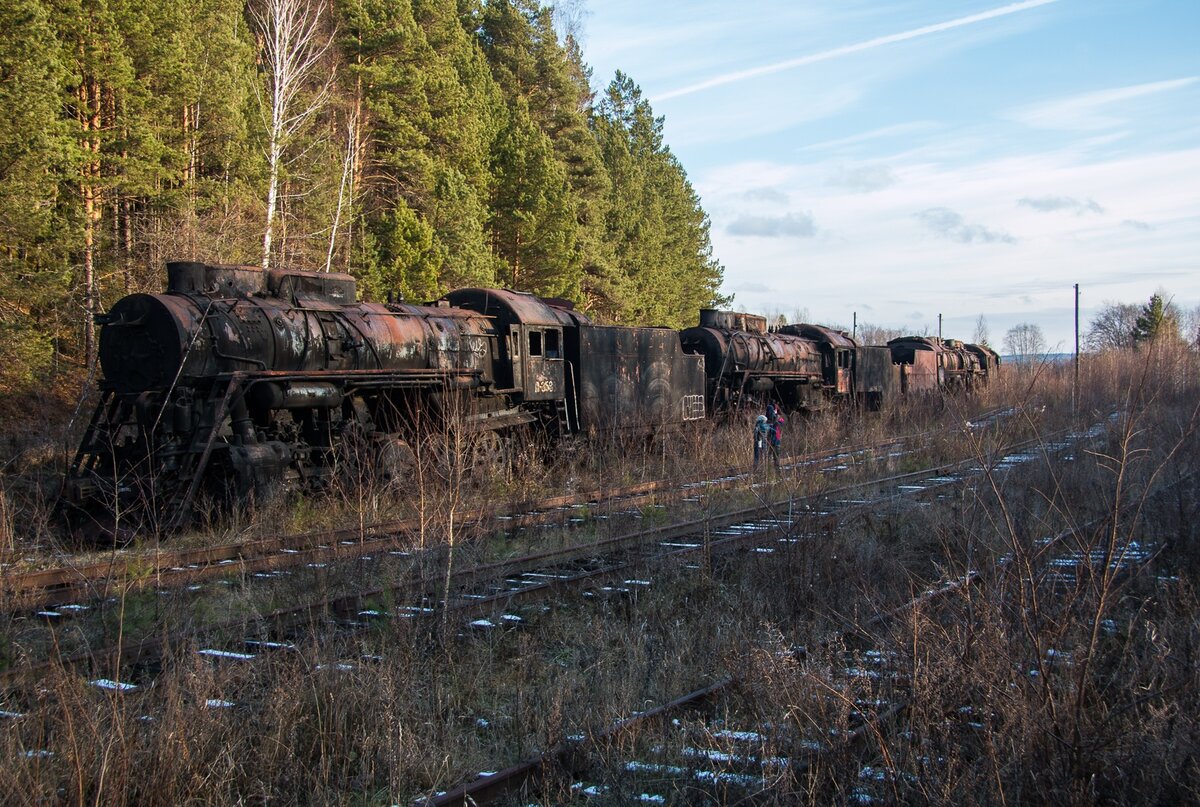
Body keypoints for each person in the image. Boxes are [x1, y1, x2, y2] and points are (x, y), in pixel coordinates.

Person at [765, 404, 785, 470]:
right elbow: (782, 423)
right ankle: (776, 470)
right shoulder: (776, 418)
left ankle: (770, 470)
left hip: (771, 440)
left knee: (769, 457)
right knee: (775, 457)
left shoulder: (767, 419)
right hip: (775, 440)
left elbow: (782, 423)